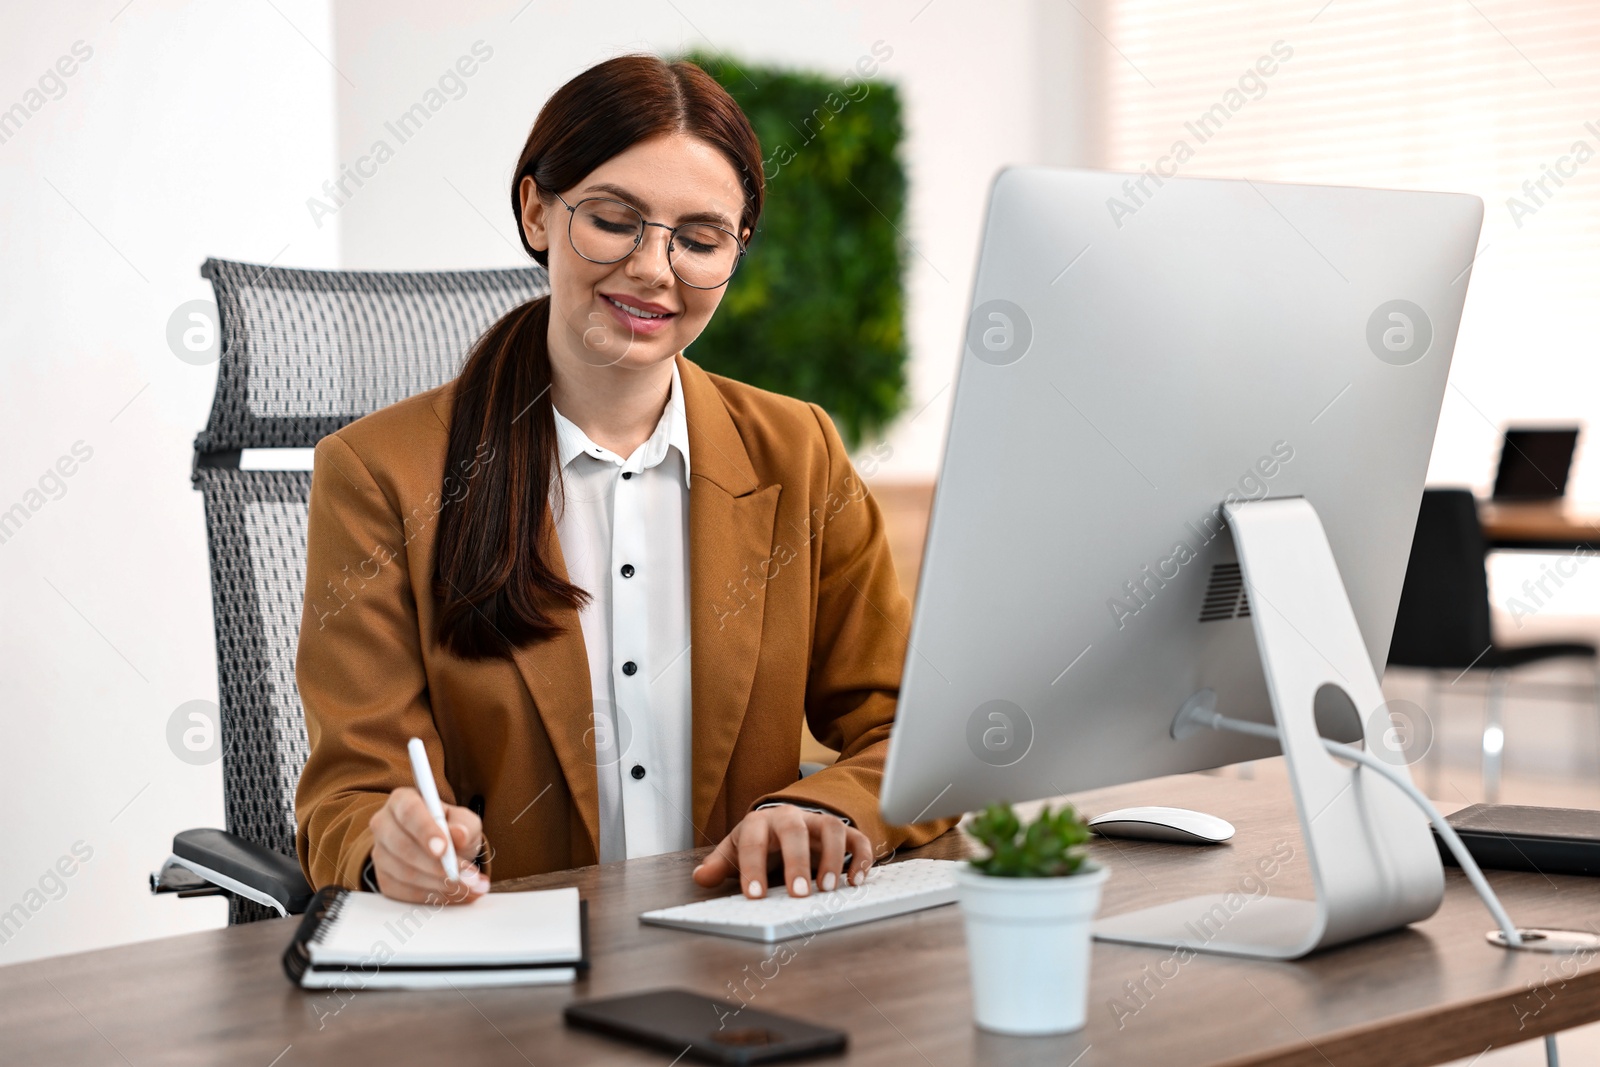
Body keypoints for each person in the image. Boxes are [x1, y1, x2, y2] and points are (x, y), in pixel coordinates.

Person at [293, 53, 955, 906]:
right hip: (513, 987)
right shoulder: (379, 473)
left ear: (734, 252)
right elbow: (348, 793)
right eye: (615, 220)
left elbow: (906, 731)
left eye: (700, 239)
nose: (654, 268)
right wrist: (392, 846)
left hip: (743, 958)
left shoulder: (802, 452)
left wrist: (815, 804)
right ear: (537, 210)